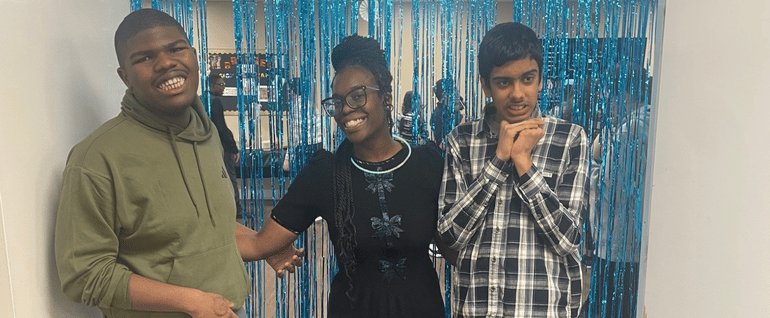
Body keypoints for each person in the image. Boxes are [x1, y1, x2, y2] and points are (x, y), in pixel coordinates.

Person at [54, 9, 299, 318]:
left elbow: (202, 231)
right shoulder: (96, 158)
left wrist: (262, 246)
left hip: (228, 309)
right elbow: (85, 275)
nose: (165, 63)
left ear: (193, 56)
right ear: (125, 77)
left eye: (175, 48)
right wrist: (192, 302)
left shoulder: (206, 136)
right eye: (144, 58)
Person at [237, 34, 456, 317]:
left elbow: (456, 250)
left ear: (386, 98)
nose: (346, 110)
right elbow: (258, 244)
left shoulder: (428, 164)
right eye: (337, 102)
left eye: (357, 95)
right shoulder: (325, 173)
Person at [437, 22, 590, 318]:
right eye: (504, 82)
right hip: (476, 310)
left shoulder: (569, 139)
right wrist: (498, 161)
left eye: (527, 79)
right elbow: (451, 235)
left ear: (540, 80)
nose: (517, 94)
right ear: (486, 85)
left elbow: (567, 239)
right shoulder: (462, 140)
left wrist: (523, 162)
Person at [209, 73, 241, 217]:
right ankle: (236, 207)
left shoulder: (202, 100)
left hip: (211, 147)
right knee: (230, 176)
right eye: (220, 85)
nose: (223, 88)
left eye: (224, 85)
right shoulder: (215, 101)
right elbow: (221, 127)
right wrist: (233, 147)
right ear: (211, 85)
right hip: (223, 147)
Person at [431, 78, 466, 147]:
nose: (457, 92)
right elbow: (442, 145)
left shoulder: (451, 111)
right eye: (453, 89)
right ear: (445, 94)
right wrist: (461, 125)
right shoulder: (437, 115)